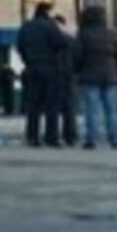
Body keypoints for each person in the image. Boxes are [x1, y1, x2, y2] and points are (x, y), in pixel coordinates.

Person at [71, 5, 117, 151]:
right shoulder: (113, 34)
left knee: (92, 109)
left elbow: (77, 56)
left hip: (89, 76)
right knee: (112, 109)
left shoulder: (83, 34)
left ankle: (92, 138)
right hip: (111, 76)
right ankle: (115, 138)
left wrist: (77, 71)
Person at [17, 2, 65, 148]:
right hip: (50, 68)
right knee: (52, 104)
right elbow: (61, 43)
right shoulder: (50, 26)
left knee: (33, 105)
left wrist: (28, 60)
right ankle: (51, 137)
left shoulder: (26, 27)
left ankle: (32, 136)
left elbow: (20, 46)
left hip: (32, 67)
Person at [53, 15, 79, 147]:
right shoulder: (71, 40)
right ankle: (70, 135)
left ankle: (54, 135)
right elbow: (78, 57)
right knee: (69, 107)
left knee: (54, 107)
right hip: (69, 75)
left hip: (54, 75)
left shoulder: (50, 41)